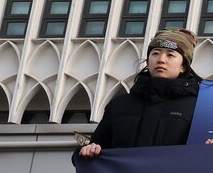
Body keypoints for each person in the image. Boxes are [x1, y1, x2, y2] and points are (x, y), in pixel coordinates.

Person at [78, 28, 203, 157]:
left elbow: (201, 157)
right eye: (155, 53)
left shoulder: (198, 107)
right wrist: (88, 150)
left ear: (183, 66)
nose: (161, 59)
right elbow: (97, 147)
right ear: (148, 61)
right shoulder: (120, 104)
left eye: (170, 55)